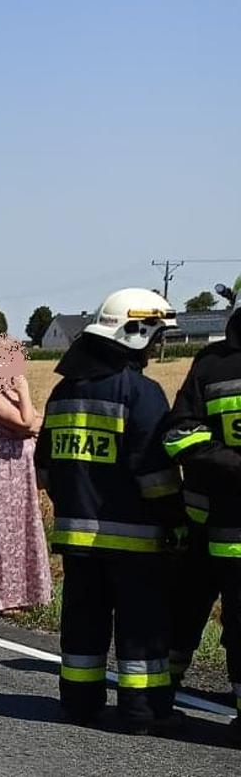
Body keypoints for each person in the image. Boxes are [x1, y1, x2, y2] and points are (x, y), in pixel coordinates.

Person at [36, 288, 184, 733]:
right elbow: (154, 473)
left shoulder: (63, 392)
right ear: (135, 332)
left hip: (76, 538)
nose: (158, 347)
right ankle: (141, 711)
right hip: (135, 540)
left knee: (82, 623)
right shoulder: (141, 393)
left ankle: (78, 704)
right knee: (142, 628)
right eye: (156, 337)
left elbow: (45, 469)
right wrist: (176, 520)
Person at [162, 276, 241, 732]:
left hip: (217, 523)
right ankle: (156, 700)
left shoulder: (210, 364)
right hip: (203, 524)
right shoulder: (210, 365)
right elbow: (180, 433)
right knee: (182, 615)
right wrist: (231, 464)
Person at [0, 334, 52, 615]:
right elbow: (26, 421)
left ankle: (28, 595)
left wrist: (30, 422)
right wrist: (24, 390)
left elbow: (41, 423)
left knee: (23, 527)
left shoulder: (9, 395)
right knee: (1, 531)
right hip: (1, 470)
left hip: (20, 471)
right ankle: (1, 599)